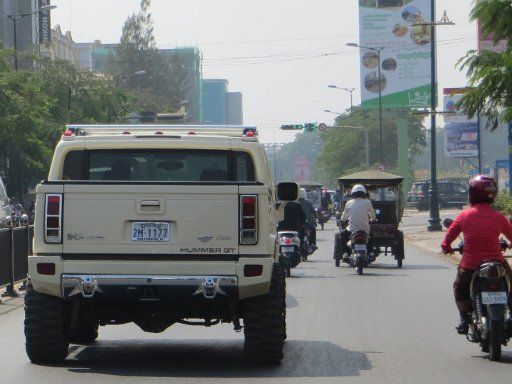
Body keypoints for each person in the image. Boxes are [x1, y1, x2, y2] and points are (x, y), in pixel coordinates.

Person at [442, 175, 512, 334]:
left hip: (470, 266)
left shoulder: (464, 215)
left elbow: (449, 236)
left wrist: (446, 247)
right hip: (497, 263)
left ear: (472, 193)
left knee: (459, 287)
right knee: (510, 285)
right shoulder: (498, 217)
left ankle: (464, 318)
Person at [339, 184, 376, 261]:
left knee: (341, 237)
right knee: (372, 236)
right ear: (363, 193)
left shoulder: (349, 203)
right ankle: (371, 252)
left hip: (352, 229)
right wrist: (373, 219)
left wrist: (342, 221)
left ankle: (346, 252)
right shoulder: (367, 202)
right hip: (365, 229)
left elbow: (344, 217)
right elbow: (372, 215)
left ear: (353, 193)